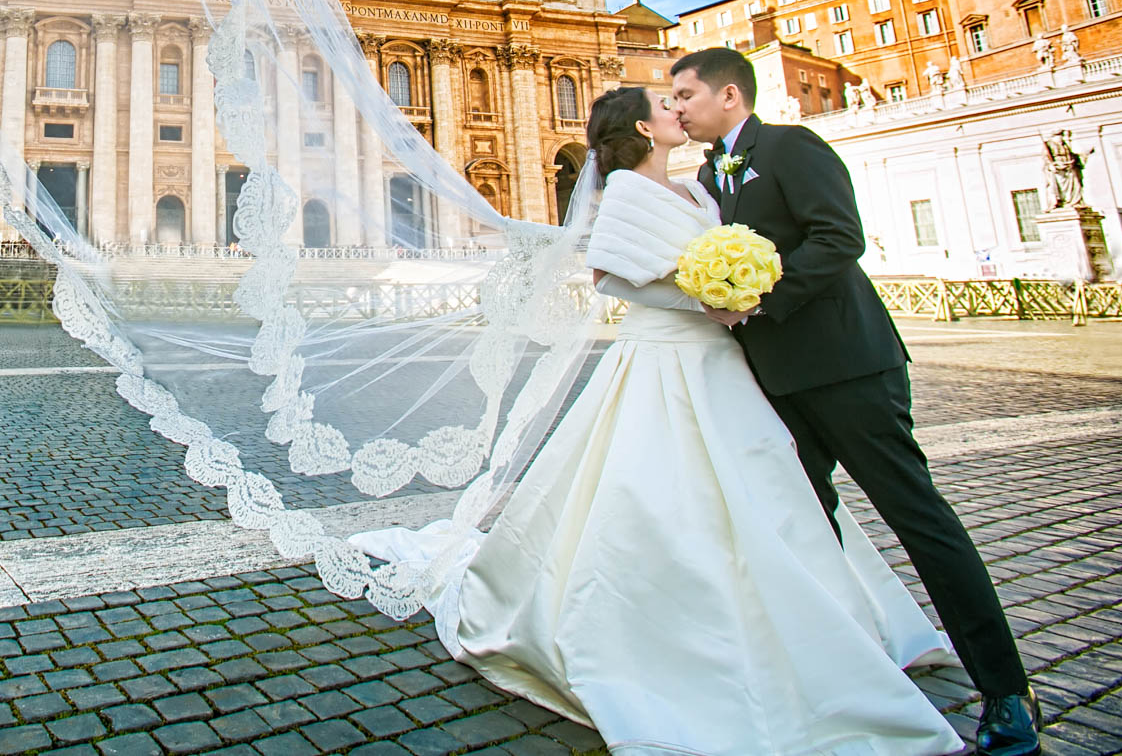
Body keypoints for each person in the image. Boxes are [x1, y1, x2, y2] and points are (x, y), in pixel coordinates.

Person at [356, 86, 961, 755]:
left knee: (767, 495)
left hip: (720, 365)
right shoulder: (624, 193)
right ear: (645, 125)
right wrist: (703, 297)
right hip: (668, 360)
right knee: (667, 499)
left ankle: (814, 633)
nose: (680, 107)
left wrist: (734, 290)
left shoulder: (702, 191)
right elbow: (609, 277)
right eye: (667, 104)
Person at [670, 47, 1038, 756]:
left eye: (684, 94)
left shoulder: (790, 146)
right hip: (775, 380)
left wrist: (755, 296)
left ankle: (1006, 689)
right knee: (803, 527)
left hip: (847, 368)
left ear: (727, 95)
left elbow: (840, 236)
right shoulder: (711, 173)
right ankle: (842, 662)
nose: (676, 107)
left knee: (918, 519)